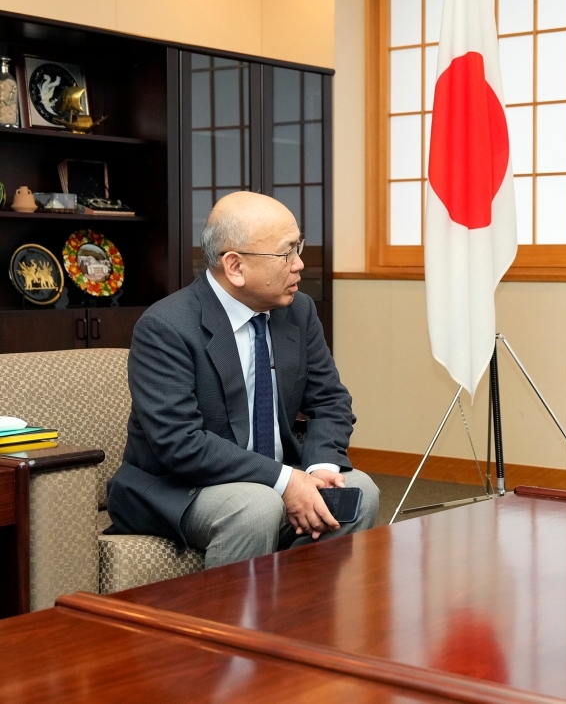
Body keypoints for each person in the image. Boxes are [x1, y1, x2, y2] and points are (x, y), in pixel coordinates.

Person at [106, 191, 379, 567]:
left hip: (272, 474)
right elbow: (179, 443)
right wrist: (285, 481)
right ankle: (229, 626)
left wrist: (320, 468)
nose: (299, 264)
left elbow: (331, 401)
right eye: (286, 254)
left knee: (360, 490)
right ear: (234, 266)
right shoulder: (166, 326)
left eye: (298, 247)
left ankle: (300, 614)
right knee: (255, 507)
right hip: (177, 485)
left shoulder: (298, 311)